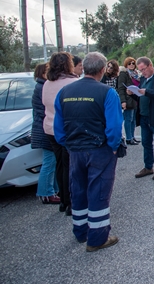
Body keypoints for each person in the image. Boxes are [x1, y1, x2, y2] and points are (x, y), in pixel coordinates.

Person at [54, 52, 123, 252]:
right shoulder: (107, 93)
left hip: (74, 149)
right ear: (102, 70)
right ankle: (98, 238)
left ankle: (80, 231)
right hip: (100, 149)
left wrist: (68, 144)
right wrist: (113, 147)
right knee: (99, 191)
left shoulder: (64, 92)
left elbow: (58, 126)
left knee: (79, 190)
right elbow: (114, 126)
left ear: (83, 68)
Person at [42, 52, 78, 216]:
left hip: (50, 128)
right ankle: (71, 201)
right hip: (65, 129)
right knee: (70, 166)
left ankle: (63, 200)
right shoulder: (72, 83)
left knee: (59, 164)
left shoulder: (47, 83)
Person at [32, 63, 60, 204]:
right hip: (46, 130)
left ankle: (53, 190)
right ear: (43, 73)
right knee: (49, 162)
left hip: (44, 128)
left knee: (52, 162)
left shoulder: (41, 86)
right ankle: (46, 193)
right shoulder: (43, 87)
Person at [118, 57, 140, 145]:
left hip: (136, 99)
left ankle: (132, 136)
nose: (131, 65)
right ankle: (128, 138)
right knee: (128, 119)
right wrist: (123, 101)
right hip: (128, 99)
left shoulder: (137, 74)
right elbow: (121, 88)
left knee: (134, 119)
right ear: (126, 65)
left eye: (133, 63)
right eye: (129, 63)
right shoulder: (124, 74)